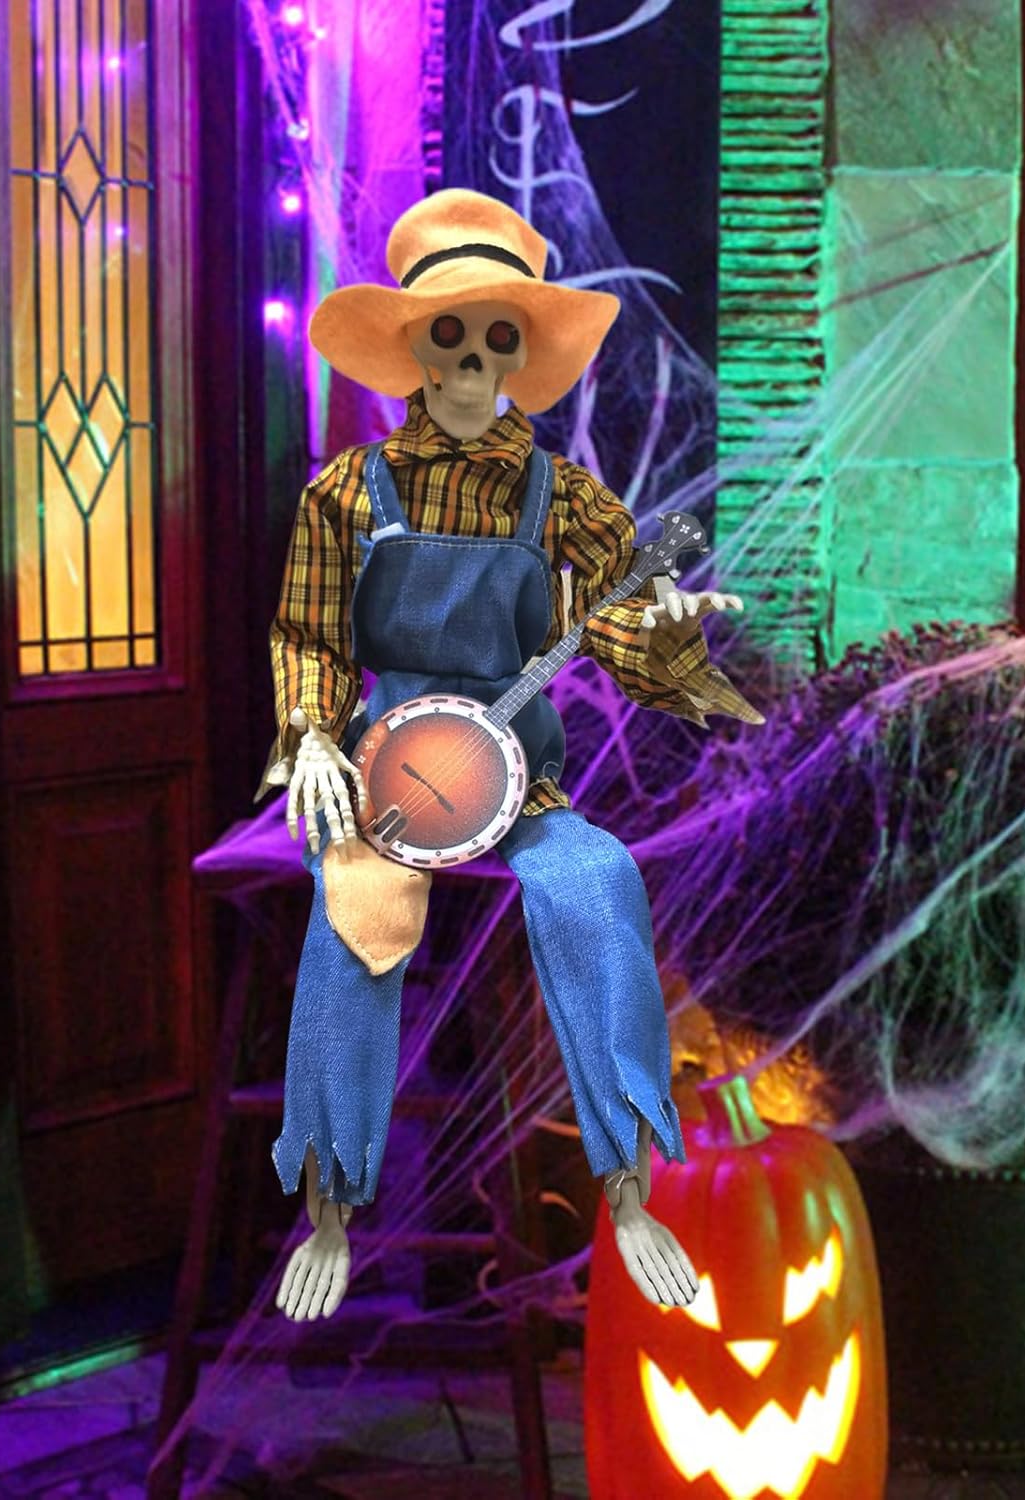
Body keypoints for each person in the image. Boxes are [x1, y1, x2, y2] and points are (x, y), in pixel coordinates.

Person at [258, 188, 764, 1322]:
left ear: (521, 357)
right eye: (450, 335)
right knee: (354, 921)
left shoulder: (562, 498)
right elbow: (309, 634)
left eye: (497, 339)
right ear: (413, 350)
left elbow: (623, 618)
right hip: (387, 777)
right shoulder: (348, 493)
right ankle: (330, 1210)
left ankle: (628, 1191)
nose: (472, 364)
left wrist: (667, 627)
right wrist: (312, 737)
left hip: (519, 780)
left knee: (597, 882)